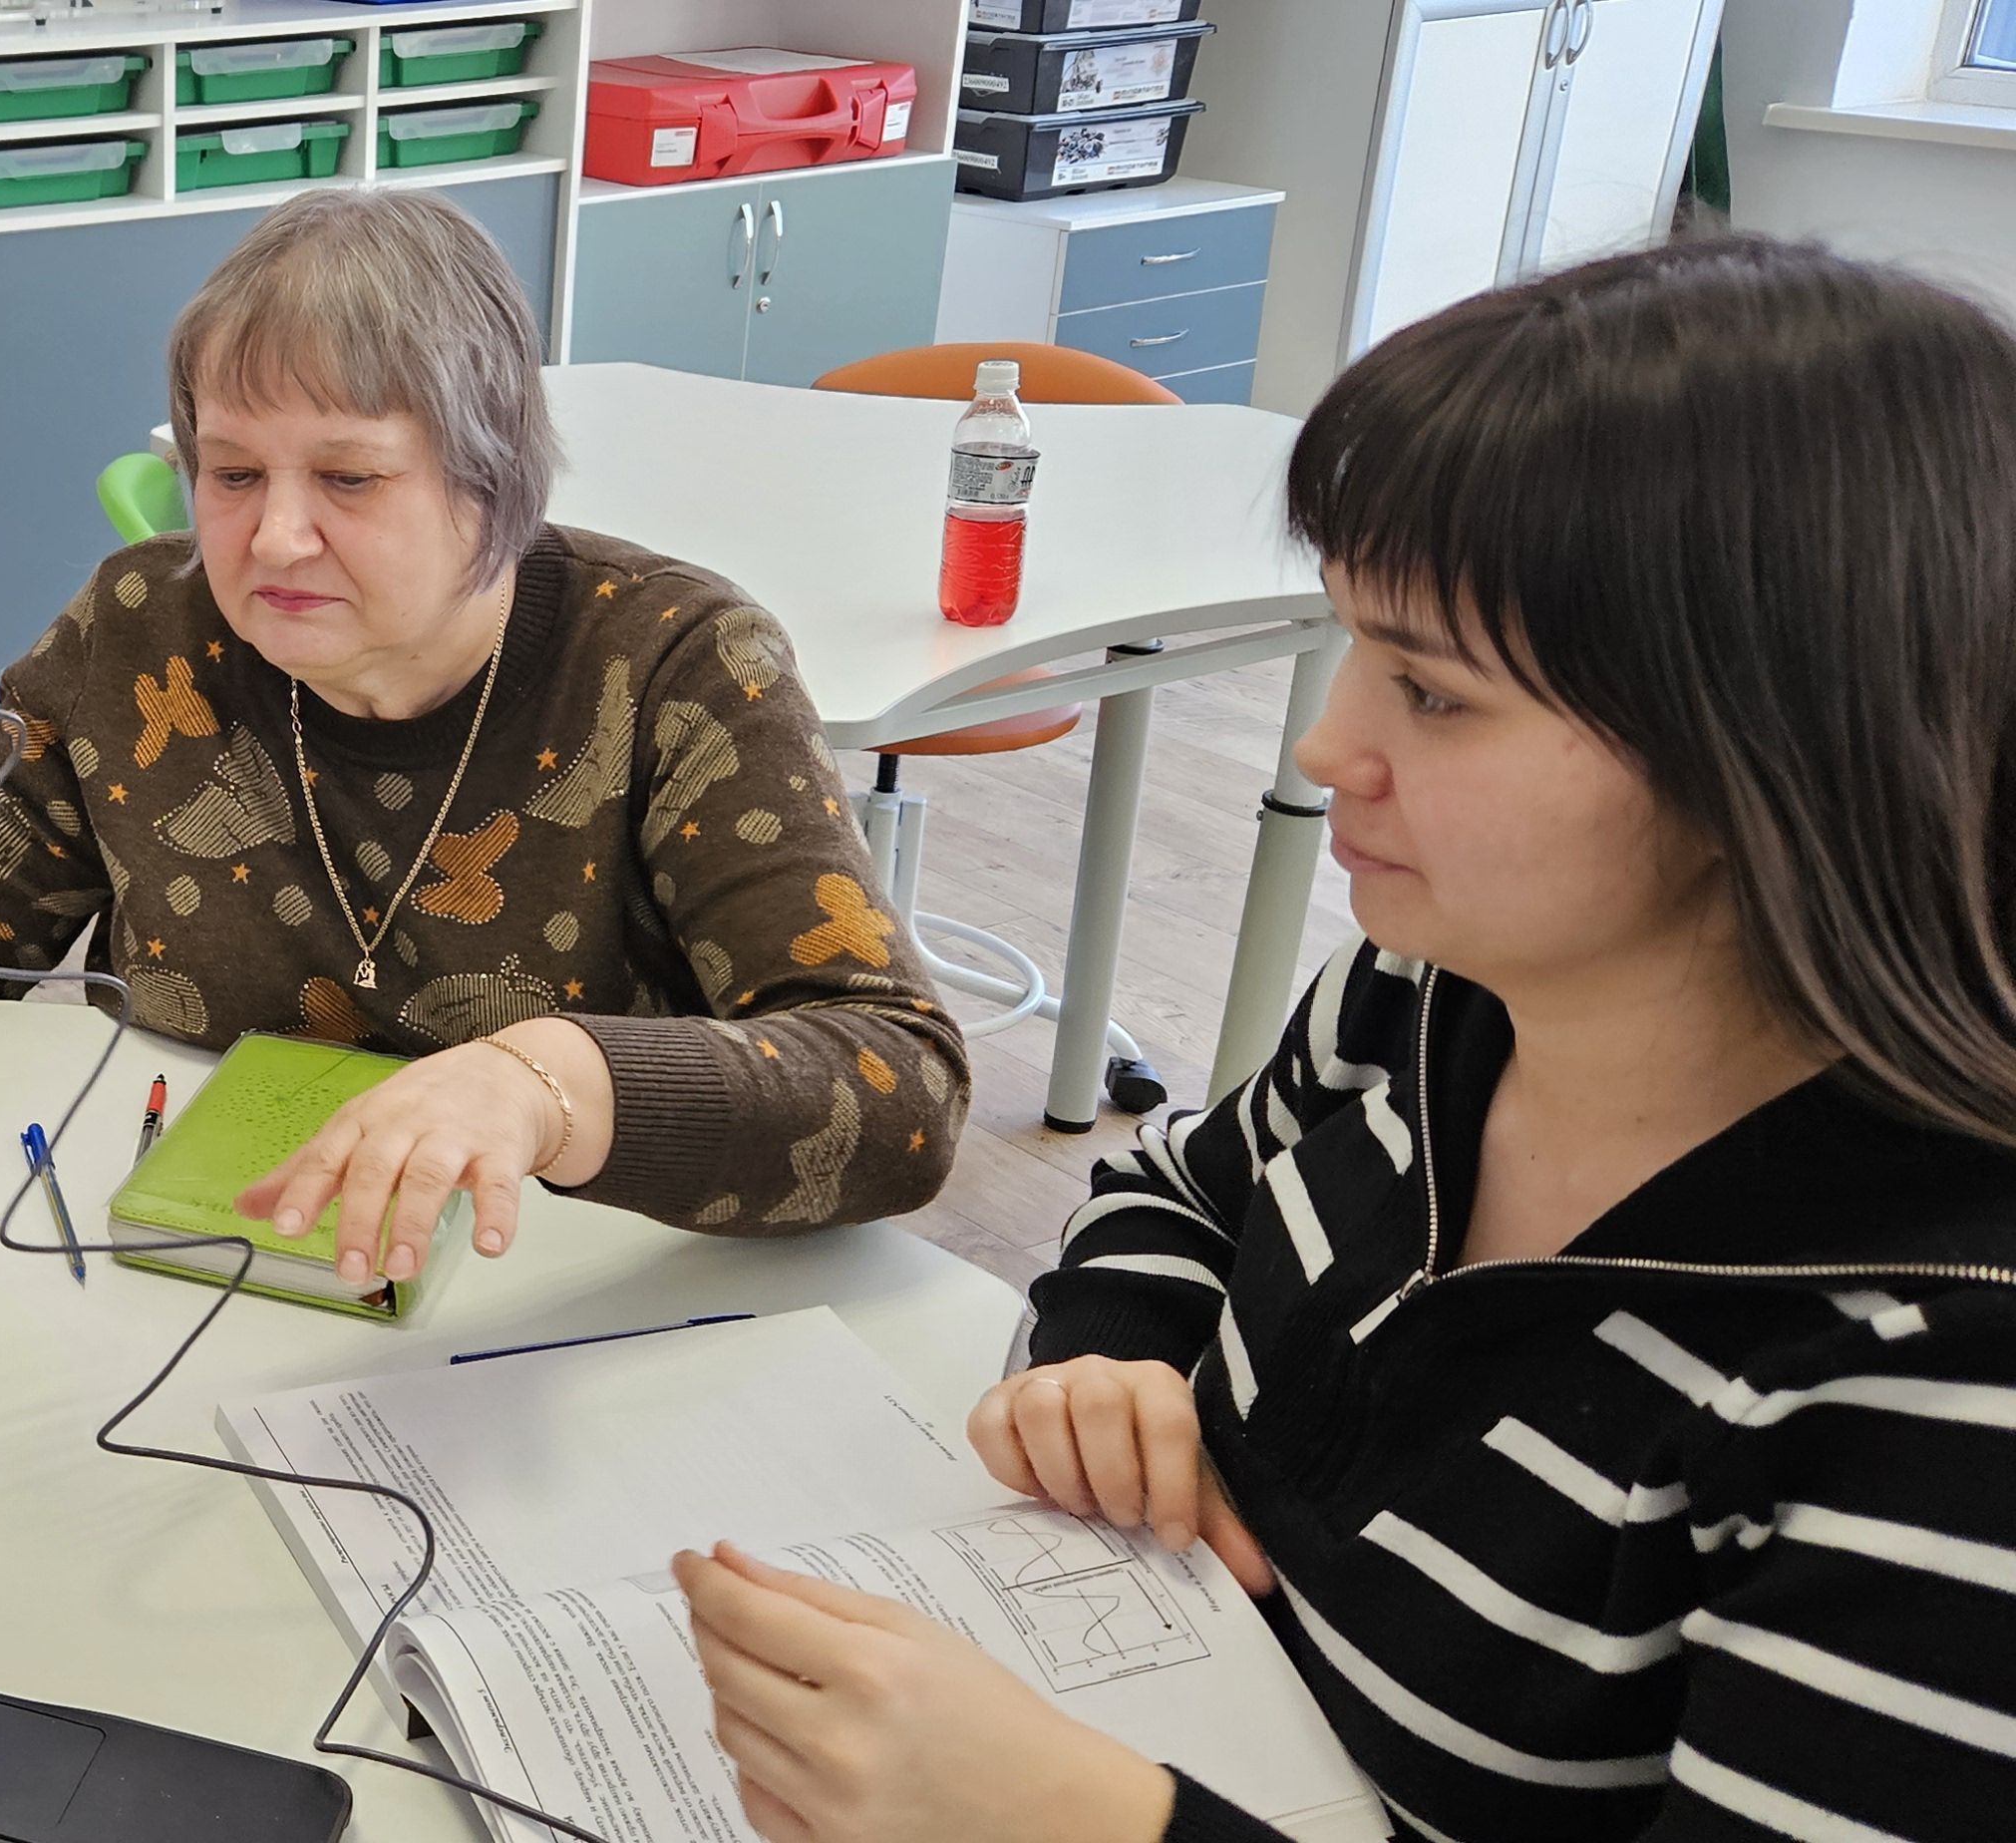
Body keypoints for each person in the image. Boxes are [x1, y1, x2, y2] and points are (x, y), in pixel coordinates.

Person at [668, 235, 2016, 1841]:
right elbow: (1181, 1186)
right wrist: (1117, 1352)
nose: (1326, 743)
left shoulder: (1937, 1393)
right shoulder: (1438, 995)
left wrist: (1084, 1822)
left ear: (1770, 755)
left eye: (1432, 694)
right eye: (1352, 644)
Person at [0, 188, 965, 1287]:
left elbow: (899, 1092)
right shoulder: (138, 633)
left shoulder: (672, 663)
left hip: (565, 1301)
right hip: (198, 1274)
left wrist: (544, 1085)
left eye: (349, 478)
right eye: (232, 472)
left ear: (493, 476)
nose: (271, 538)